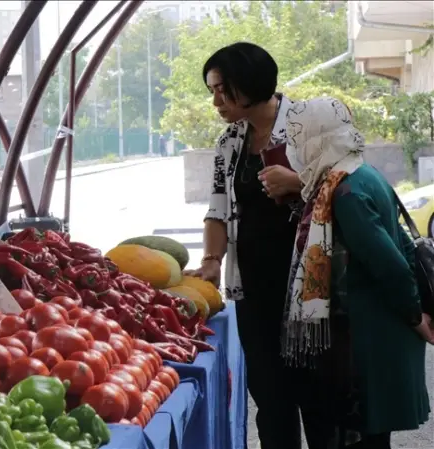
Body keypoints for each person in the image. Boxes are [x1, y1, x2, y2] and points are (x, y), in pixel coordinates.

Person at [183, 42, 335, 449]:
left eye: (221, 89)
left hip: (312, 292)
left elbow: (352, 192)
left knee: (321, 400)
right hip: (254, 291)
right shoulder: (229, 142)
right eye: (211, 89)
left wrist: (298, 184)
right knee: (270, 402)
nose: (214, 100)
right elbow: (218, 209)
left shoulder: (311, 124)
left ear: (249, 84)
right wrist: (212, 260)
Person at [281, 96, 431, 449]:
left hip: (366, 342)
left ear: (318, 138)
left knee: (361, 438)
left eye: (297, 136)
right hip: (366, 336)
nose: (293, 148)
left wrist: (415, 317)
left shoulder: (345, 191)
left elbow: (389, 263)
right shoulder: (358, 173)